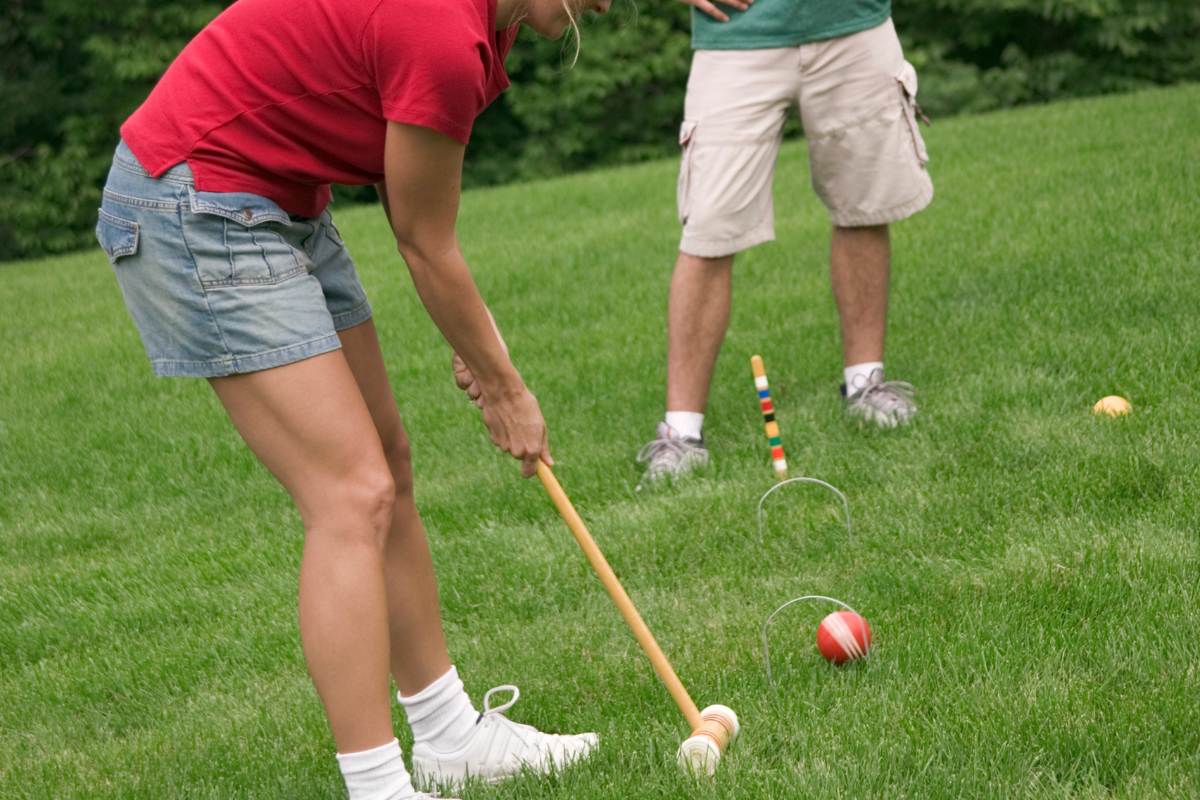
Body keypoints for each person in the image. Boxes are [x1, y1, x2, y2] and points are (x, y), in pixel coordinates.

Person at [93, 0, 611, 797]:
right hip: (195, 199)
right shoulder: (442, 30)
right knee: (350, 493)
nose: (608, 7)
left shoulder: (489, 22)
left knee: (388, 465)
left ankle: (448, 739)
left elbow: (420, 216)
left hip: (279, 195)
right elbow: (424, 240)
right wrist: (505, 388)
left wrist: (481, 349)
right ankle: (377, 787)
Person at [636, 0, 931, 484]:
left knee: (863, 205)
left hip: (853, 22)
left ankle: (866, 385)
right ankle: (680, 435)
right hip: (735, 33)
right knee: (708, 230)